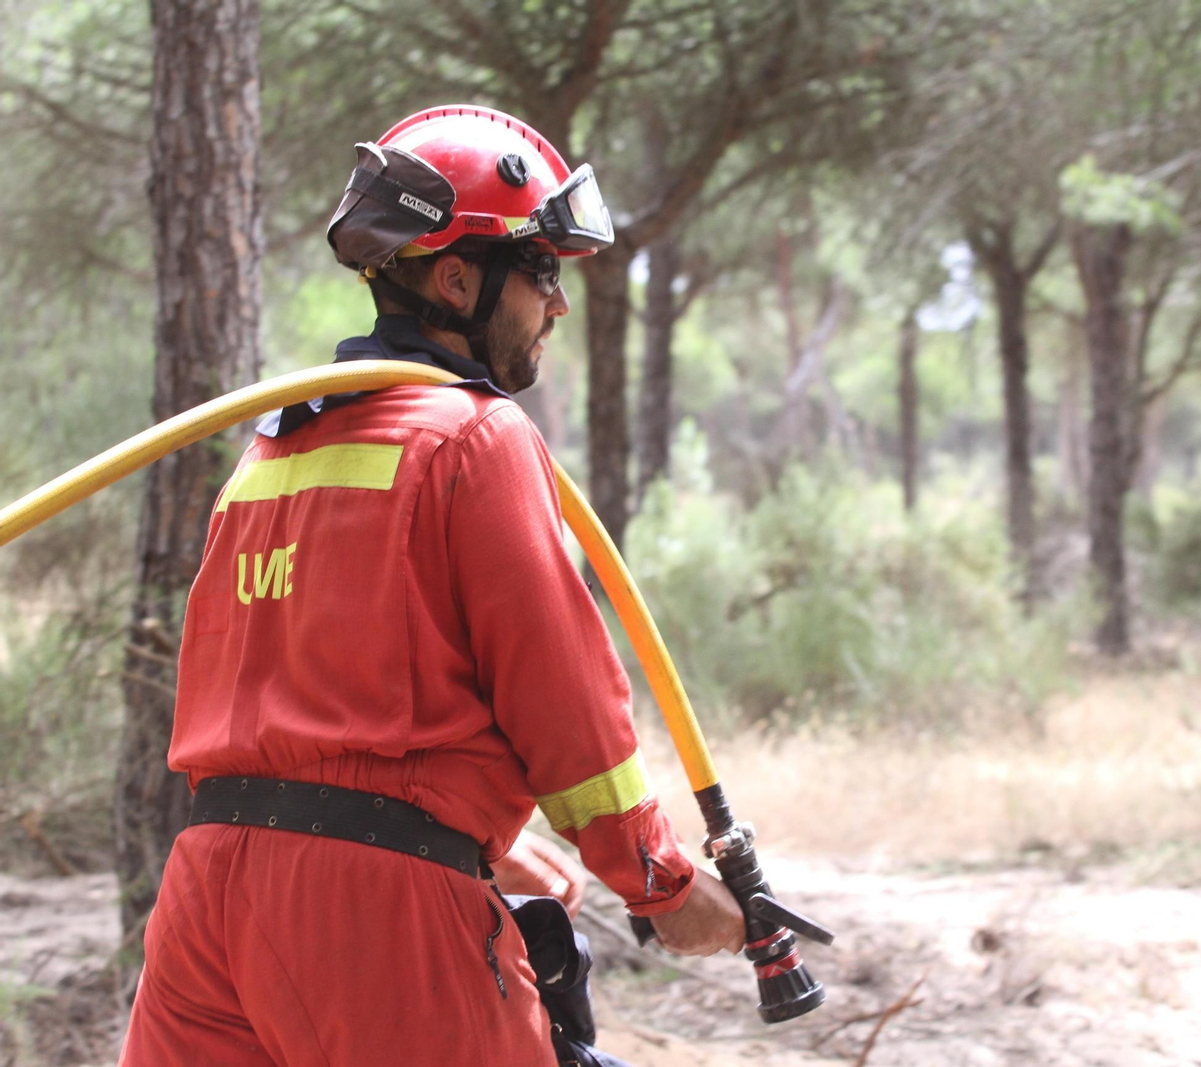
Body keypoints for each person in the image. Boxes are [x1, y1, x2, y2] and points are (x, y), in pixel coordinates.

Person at [119, 104, 746, 1067]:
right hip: (372, 920)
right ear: (457, 278)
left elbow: (304, 710)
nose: (558, 305)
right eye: (541, 270)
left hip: (204, 904)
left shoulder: (270, 450)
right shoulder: (473, 438)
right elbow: (566, 711)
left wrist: (461, 831)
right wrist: (661, 880)